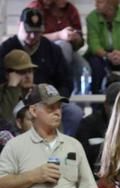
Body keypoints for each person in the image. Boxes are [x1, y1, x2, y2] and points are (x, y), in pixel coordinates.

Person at [0, 7, 83, 136]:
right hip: (14, 98)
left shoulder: (52, 49)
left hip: (47, 98)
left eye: (37, 32)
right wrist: (13, 88)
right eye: (29, 31)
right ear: (19, 25)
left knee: (74, 112)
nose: (33, 36)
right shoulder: (5, 49)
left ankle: (61, 146)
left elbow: (66, 82)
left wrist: (53, 99)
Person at [26, 0, 89, 94]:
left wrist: (76, 38)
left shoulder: (70, 9)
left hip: (68, 52)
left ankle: (78, 102)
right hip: (42, 52)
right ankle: (58, 85)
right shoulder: (36, 7)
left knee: (85, 68)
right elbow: (32, 38)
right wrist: (59, 35)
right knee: (64, 46)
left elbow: (80, 43)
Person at [85, 0, 120, 93]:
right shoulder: (91, 18)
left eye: (100, 2)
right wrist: (108, 55)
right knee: (95, 64)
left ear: (111, 3)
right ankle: (97, 102)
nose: (95, 4)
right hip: (101, 55)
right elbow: (94, 45)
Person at [75, 81, 120, 176]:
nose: (118, 112)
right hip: (95, 177)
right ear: (105, 105)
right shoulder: (88, 124)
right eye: (115, 107)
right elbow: (79, 157)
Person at [0, 50, 36, 125]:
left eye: (30, 71)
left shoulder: (39, 91)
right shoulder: (2, 93)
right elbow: (5, 121)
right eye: (22, 72)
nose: (28, 76)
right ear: (8, 75)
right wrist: (12, 88)